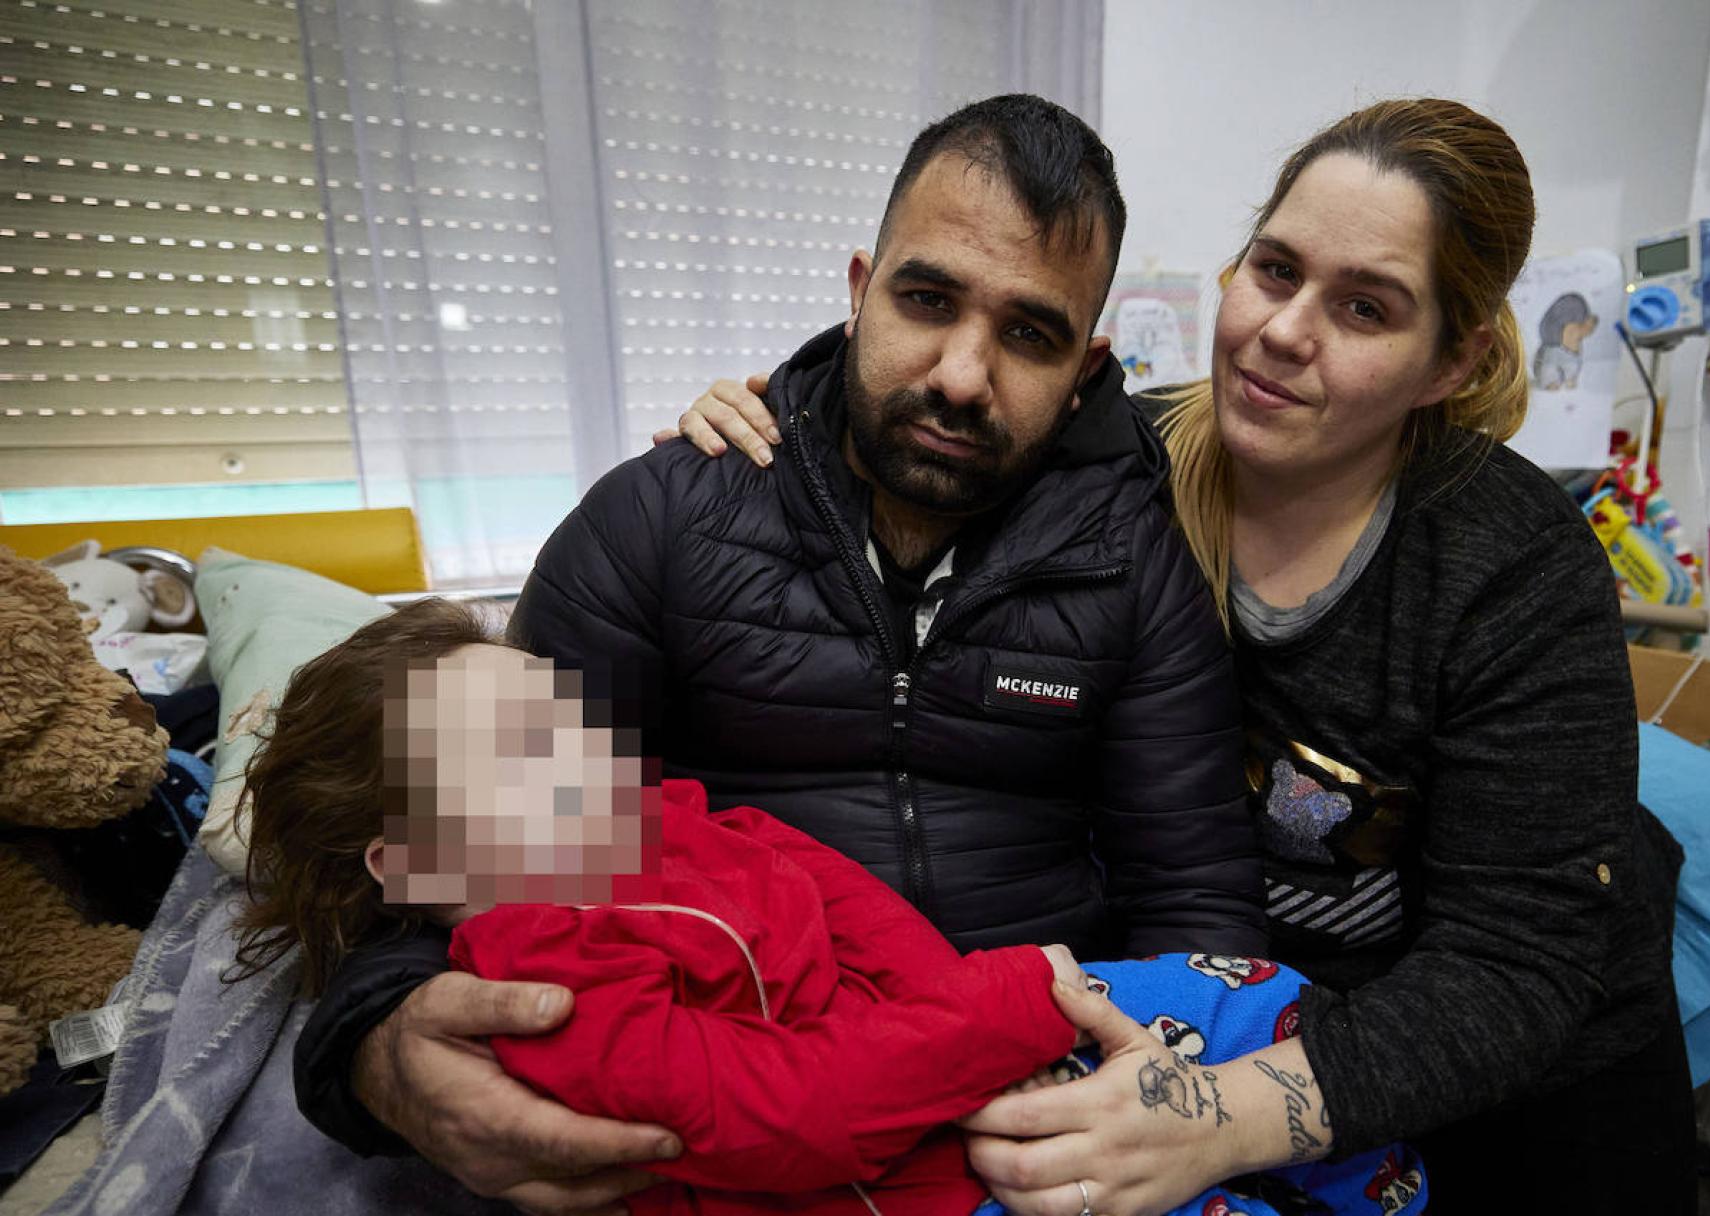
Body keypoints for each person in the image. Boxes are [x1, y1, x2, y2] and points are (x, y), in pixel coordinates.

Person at [670, 99, 1694, 1213]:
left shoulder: (1513, 566)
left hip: (1511, 1089)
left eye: (1364, 307)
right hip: (1220, 1019)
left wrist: (1216, 1120)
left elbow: (1511, 971)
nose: (1286, 329)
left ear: (1452, 361)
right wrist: (766, 422)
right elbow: (935, 404)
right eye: (1275, 268)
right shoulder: (1116, 465)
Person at [287, 93, 1266, 1215]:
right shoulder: (656, 521)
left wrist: (1160, 1089)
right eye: (926, 298)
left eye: (1029, 334)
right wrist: (375, 1052)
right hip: (739, 1091)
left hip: (1054, 1087)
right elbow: (450, 845)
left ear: (1087, 368)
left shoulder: (1133, 562)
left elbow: (1197, 897)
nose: (959, 372)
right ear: (859, 292)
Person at [238, 600, 1422, 1216]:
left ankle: (1380, 1181)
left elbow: (843, 903)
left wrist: (985, 1007)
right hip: (911, 1178)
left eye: (567, 720)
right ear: (413, 865)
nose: (581, 760)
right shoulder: (539, 976)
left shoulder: (675, 821)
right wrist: (1001, 1025)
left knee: (1267, 1002)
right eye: (517, 755)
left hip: (981, 1017)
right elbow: (784, 1110)